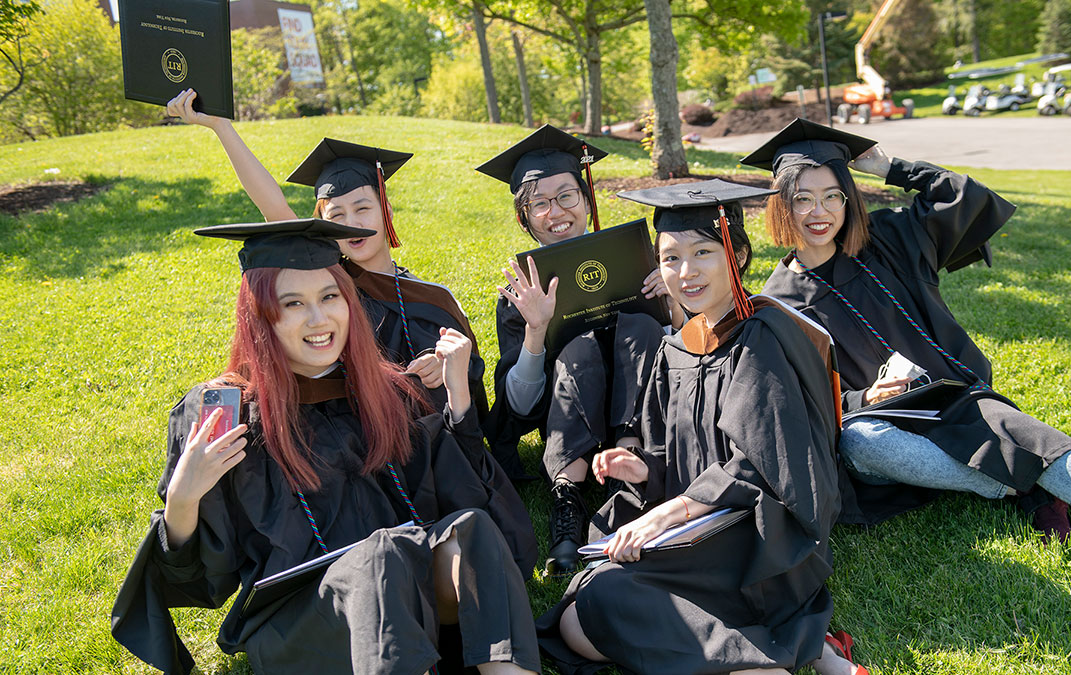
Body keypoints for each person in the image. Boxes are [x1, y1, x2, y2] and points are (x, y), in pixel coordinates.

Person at [749, 118, 1071, 601]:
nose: (819, 212)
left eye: (832, 195)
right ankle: (1024, 486)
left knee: (1035, 442)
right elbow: (808, 399)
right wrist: (863, 397)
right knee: (860, 441)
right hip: (884, 422)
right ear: (782, 206)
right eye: (802, 198)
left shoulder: (890, 241)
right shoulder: (778, 302)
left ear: (848, 200)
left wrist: (891, 167)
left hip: (953, 399)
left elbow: (964, 196)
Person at [110, 219, 540, 674]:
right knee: (380, 555)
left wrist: (457, 396)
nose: (319, 320)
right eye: (293, 303)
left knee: (469, 529)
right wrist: (183, 497)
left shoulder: (386, 392)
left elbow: (462, 491)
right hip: (297, 624)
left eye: (329, 297)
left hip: (403, 591)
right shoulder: (227, 414)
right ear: (260, 316)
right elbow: (200, 580)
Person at [536, 180, 869, 675]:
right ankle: (776, 655)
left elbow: (767, 466)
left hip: (757, 542)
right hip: (696, 533)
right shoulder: (677, 349)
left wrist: (670, 513)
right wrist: (645, 472)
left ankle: (770, 656)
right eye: (670, 259)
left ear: (736, 252)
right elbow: (674, 455)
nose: (685, 272)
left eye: (703, 252)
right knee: (577, 619)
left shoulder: (764, 336)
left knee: (598, 598)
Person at [164, 90, 490, 424]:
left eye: (363, 209)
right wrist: (221, 127)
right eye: (336, 216)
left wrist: (445, 364)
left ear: (386, 212)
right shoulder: (323, 282)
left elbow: (467, 373)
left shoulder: (429, 296)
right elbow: (273, 206)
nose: (352, 225)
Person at [475, 125, 672, 574]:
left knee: (641, 325)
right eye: (538, 204)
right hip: (567, 418)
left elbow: (689, 359)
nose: (555, 212)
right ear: (524, 219)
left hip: (643, 416)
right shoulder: (518, 296)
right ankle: (568, 504)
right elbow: (520, 407)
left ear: (586, 201)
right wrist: (535, 330)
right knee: (579, 350)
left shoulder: (648, 266)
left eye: (566, 196)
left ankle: (633, 469)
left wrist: (676, 300)